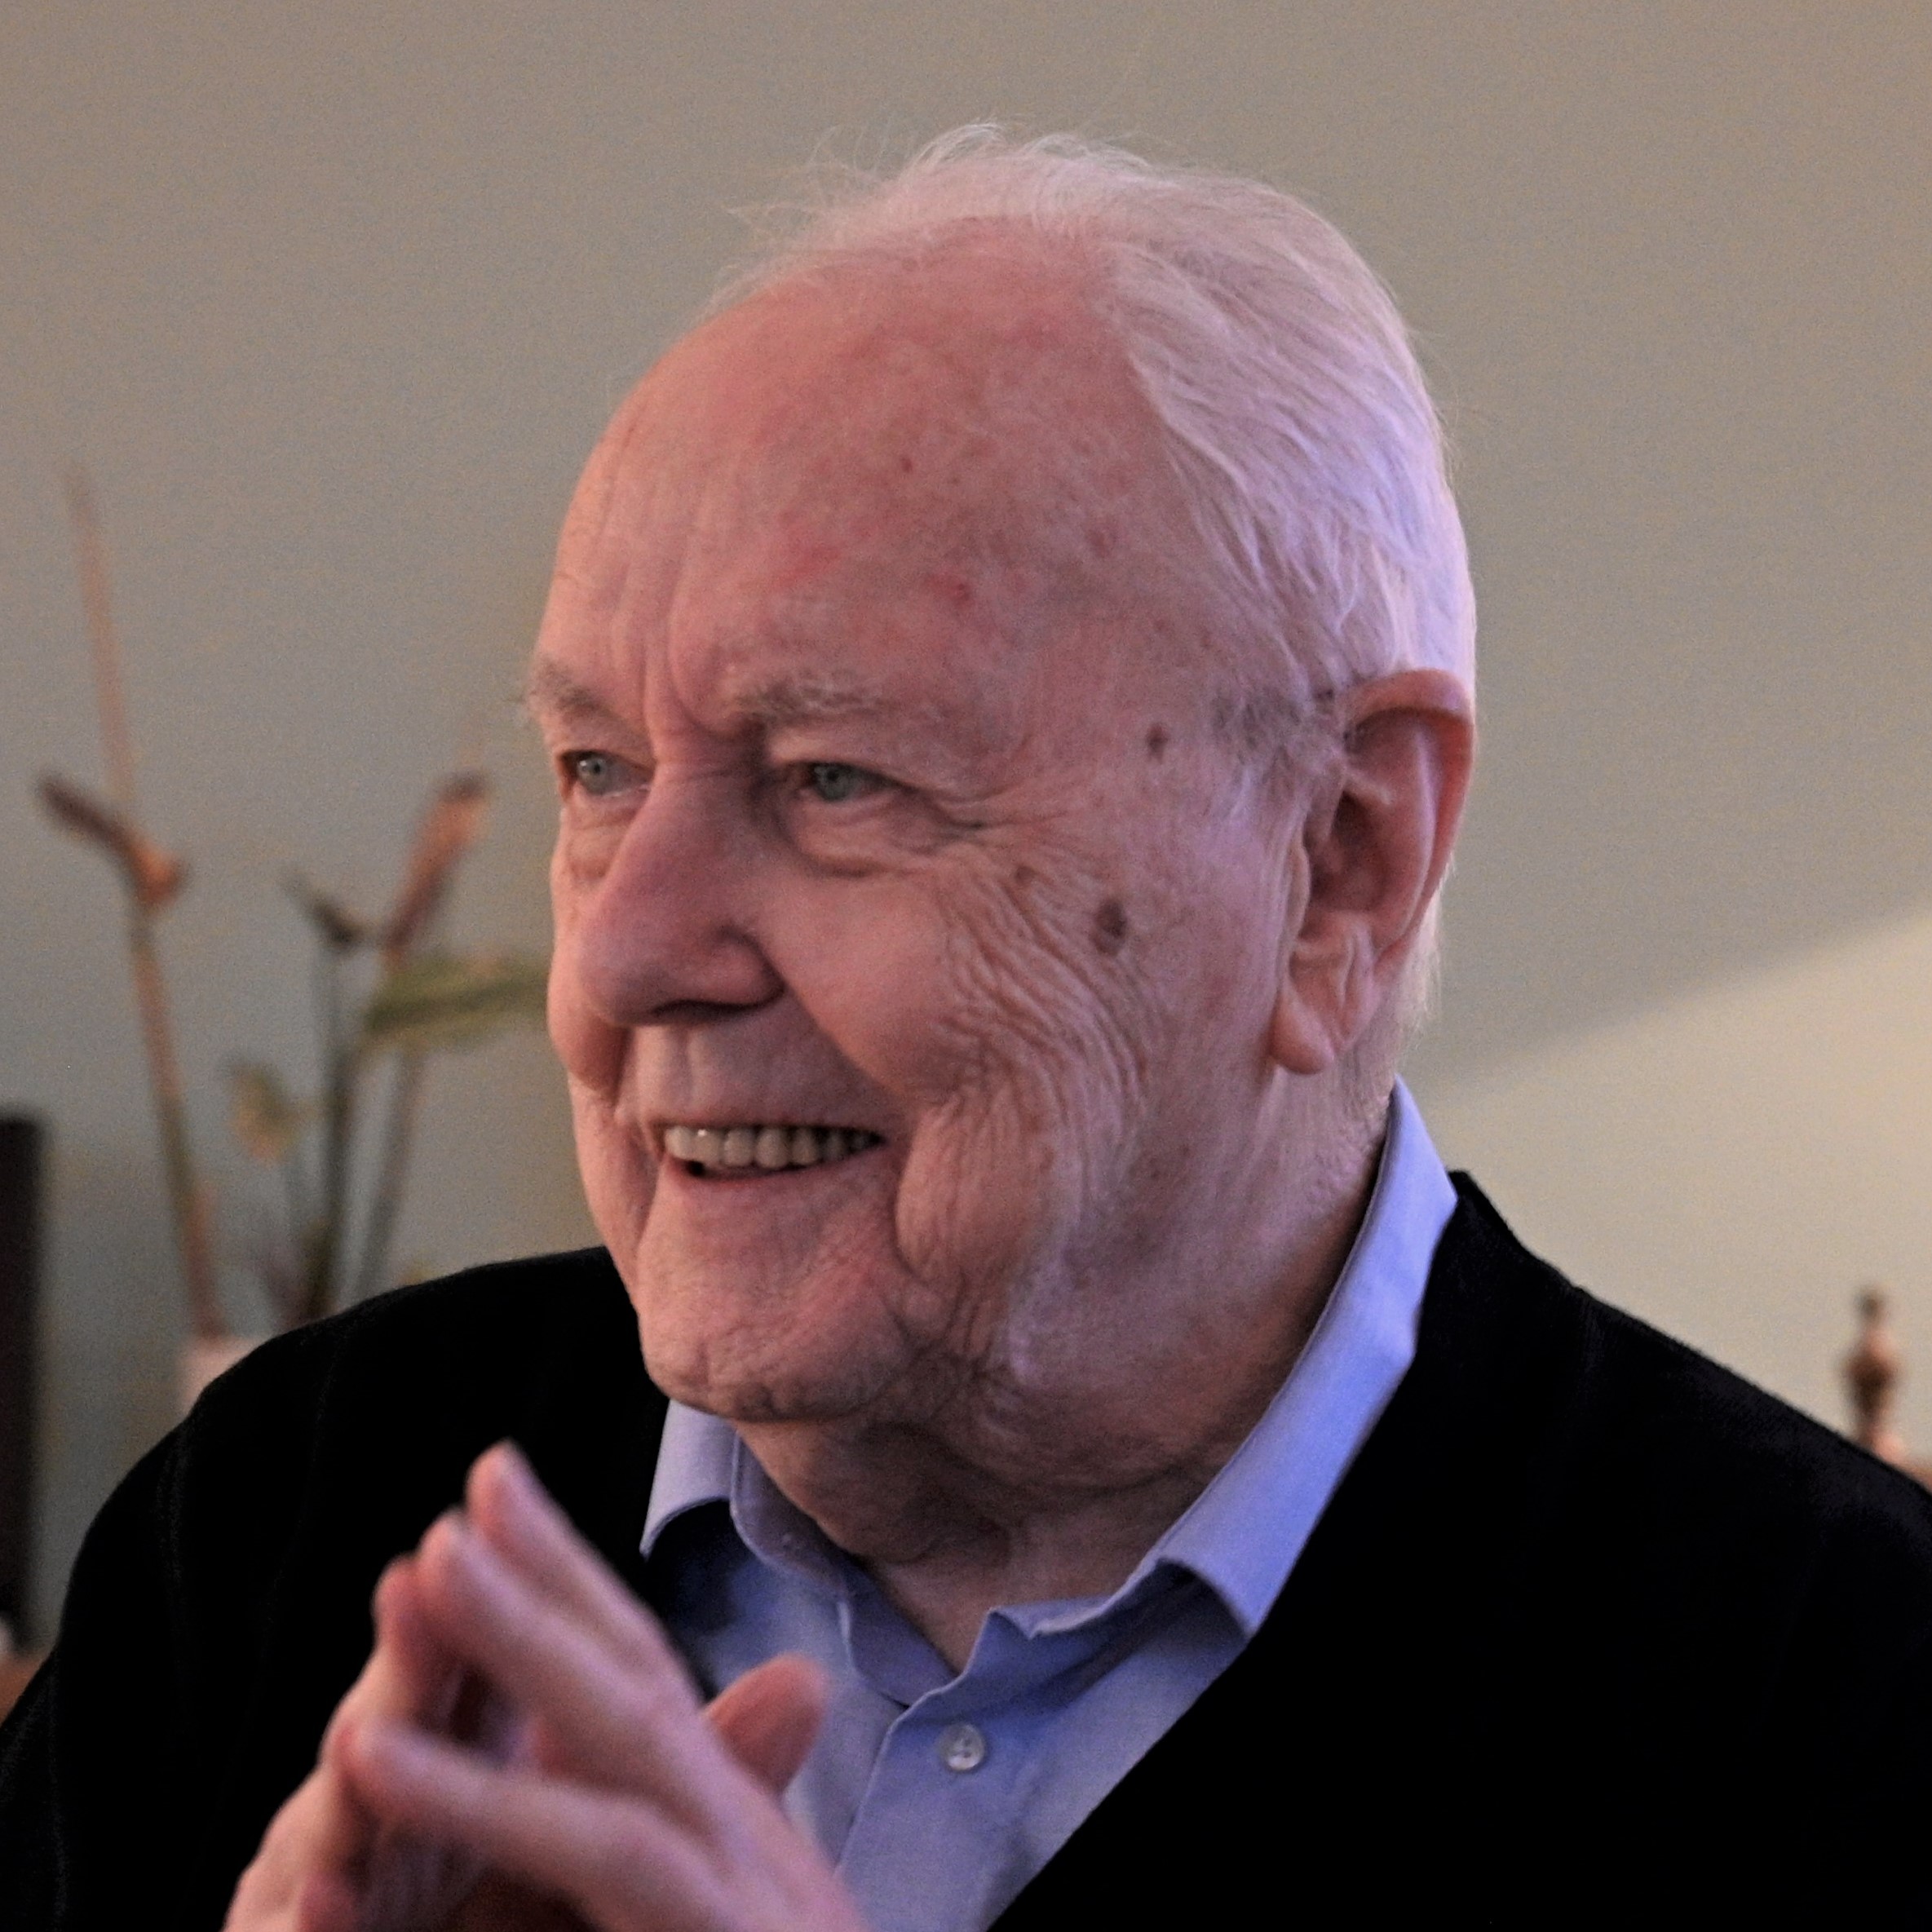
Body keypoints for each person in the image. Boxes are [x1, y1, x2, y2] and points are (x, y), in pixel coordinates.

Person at [4, 130, 1932, 1930]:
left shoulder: (1845, 1697)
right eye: (599, 772)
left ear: (1340, 860)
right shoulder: (285, 1521)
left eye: (836, 780)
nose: (620, 959)